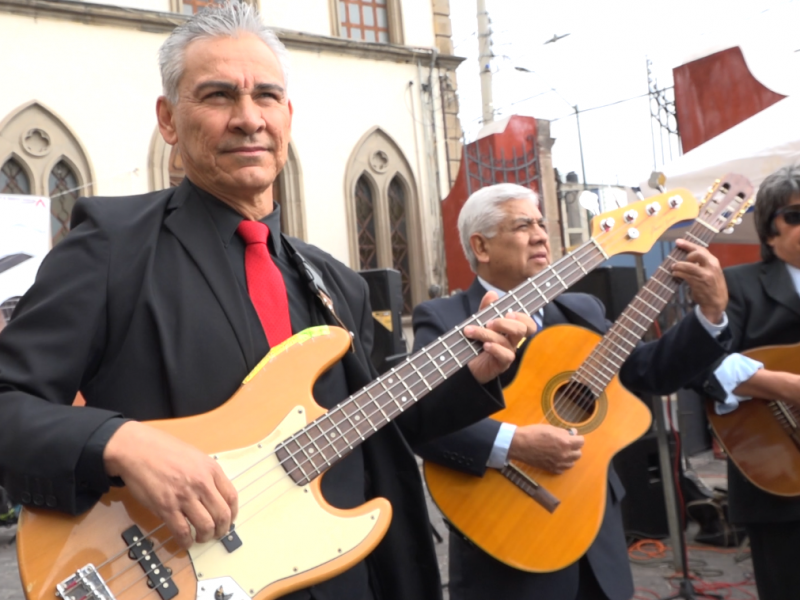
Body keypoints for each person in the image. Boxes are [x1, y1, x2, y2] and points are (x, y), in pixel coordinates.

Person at [0, 4, 528, 600]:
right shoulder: (111, 247)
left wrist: (469, 374)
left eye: (266, 97)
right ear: (169, 120)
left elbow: (379, 421)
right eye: (218, 96)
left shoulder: (334, 282)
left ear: (287, 116)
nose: (248, 119)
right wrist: (120, 443)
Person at [413, 183, 732, 600]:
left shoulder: (581, 309)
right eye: (523, 224)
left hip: (596, 529)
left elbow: (648, 371)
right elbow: (420, 420)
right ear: (482, 246)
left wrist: (711, 315)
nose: (542, 234)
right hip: (506, 531)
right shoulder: (444, 318)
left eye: (543, 223)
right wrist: (513, 443)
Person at [698, 164, 800, 600]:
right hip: (778, 474)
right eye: (795, 215)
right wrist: (786, 387)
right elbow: (702, 367)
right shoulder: (735, 286)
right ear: (769, 232)